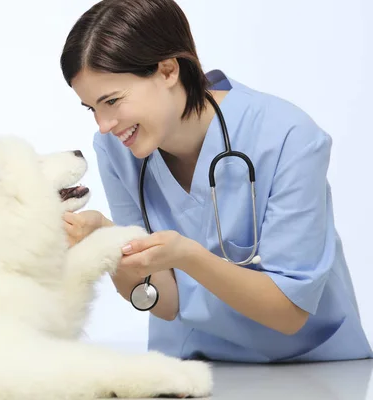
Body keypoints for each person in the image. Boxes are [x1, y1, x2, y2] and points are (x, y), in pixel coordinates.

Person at [59, 0, 372, 363]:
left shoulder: (287, 135)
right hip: (198, 368)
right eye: (91, 108)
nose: (103, 125)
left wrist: (187, 256)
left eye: (111, 100)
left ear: (167, 71)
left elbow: (288, 312)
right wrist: (108, 243)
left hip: (313, 368)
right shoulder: (116, 150)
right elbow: (164, 301)